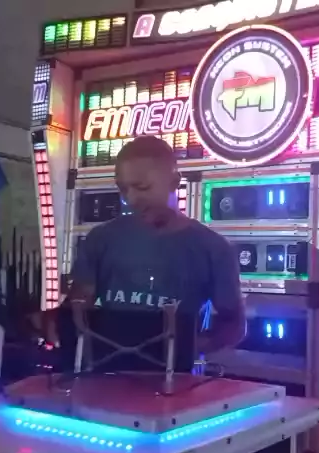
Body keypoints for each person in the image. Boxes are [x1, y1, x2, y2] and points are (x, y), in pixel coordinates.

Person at [68, 136, 245, 354]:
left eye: (142, 187)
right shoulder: (101, 238)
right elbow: (77, 306)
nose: (131, 199)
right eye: (123, 189)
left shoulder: (213, 248)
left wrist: (184, 349)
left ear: (174, 182)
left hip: (175, 374)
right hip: (107, 369)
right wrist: (56, 321)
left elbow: (234, 325)